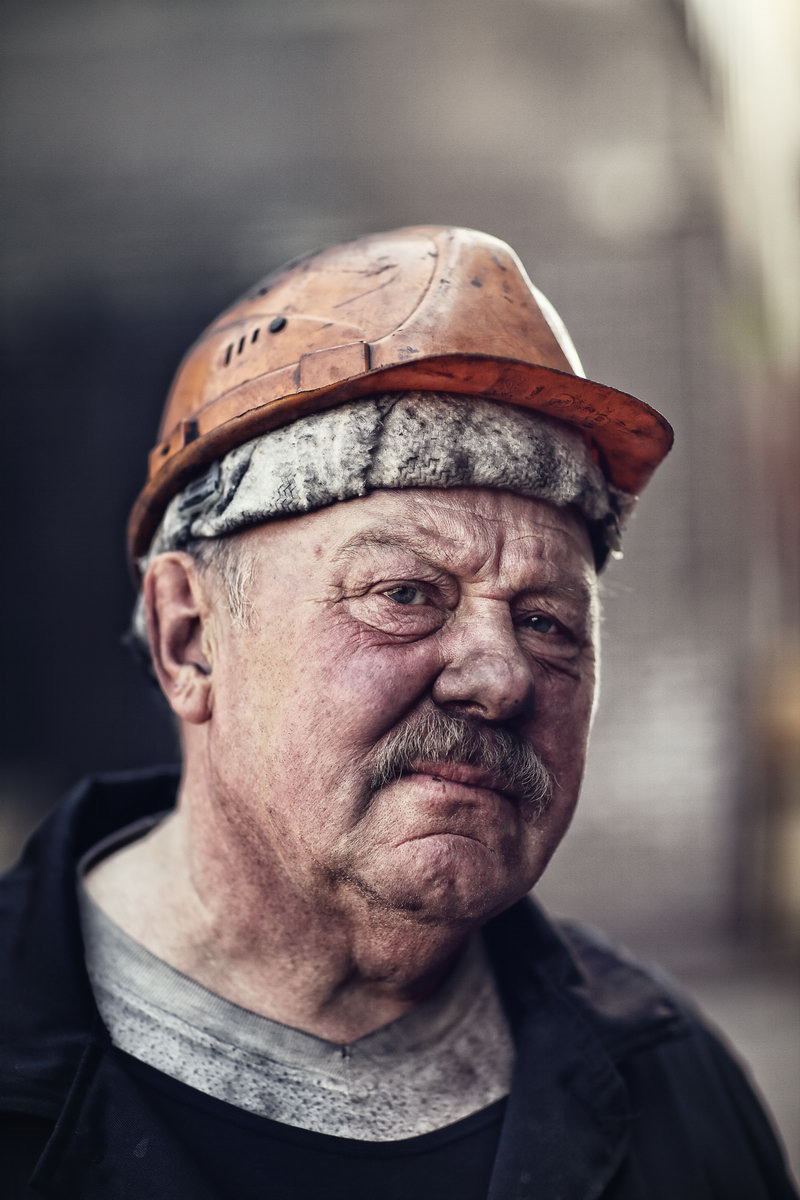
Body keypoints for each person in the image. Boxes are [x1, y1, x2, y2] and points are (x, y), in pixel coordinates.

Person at [0, 226, 795, 1200]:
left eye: (546, 620)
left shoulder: (668, 1082)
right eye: (405, 594)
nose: (499, 677)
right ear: (189, 638)